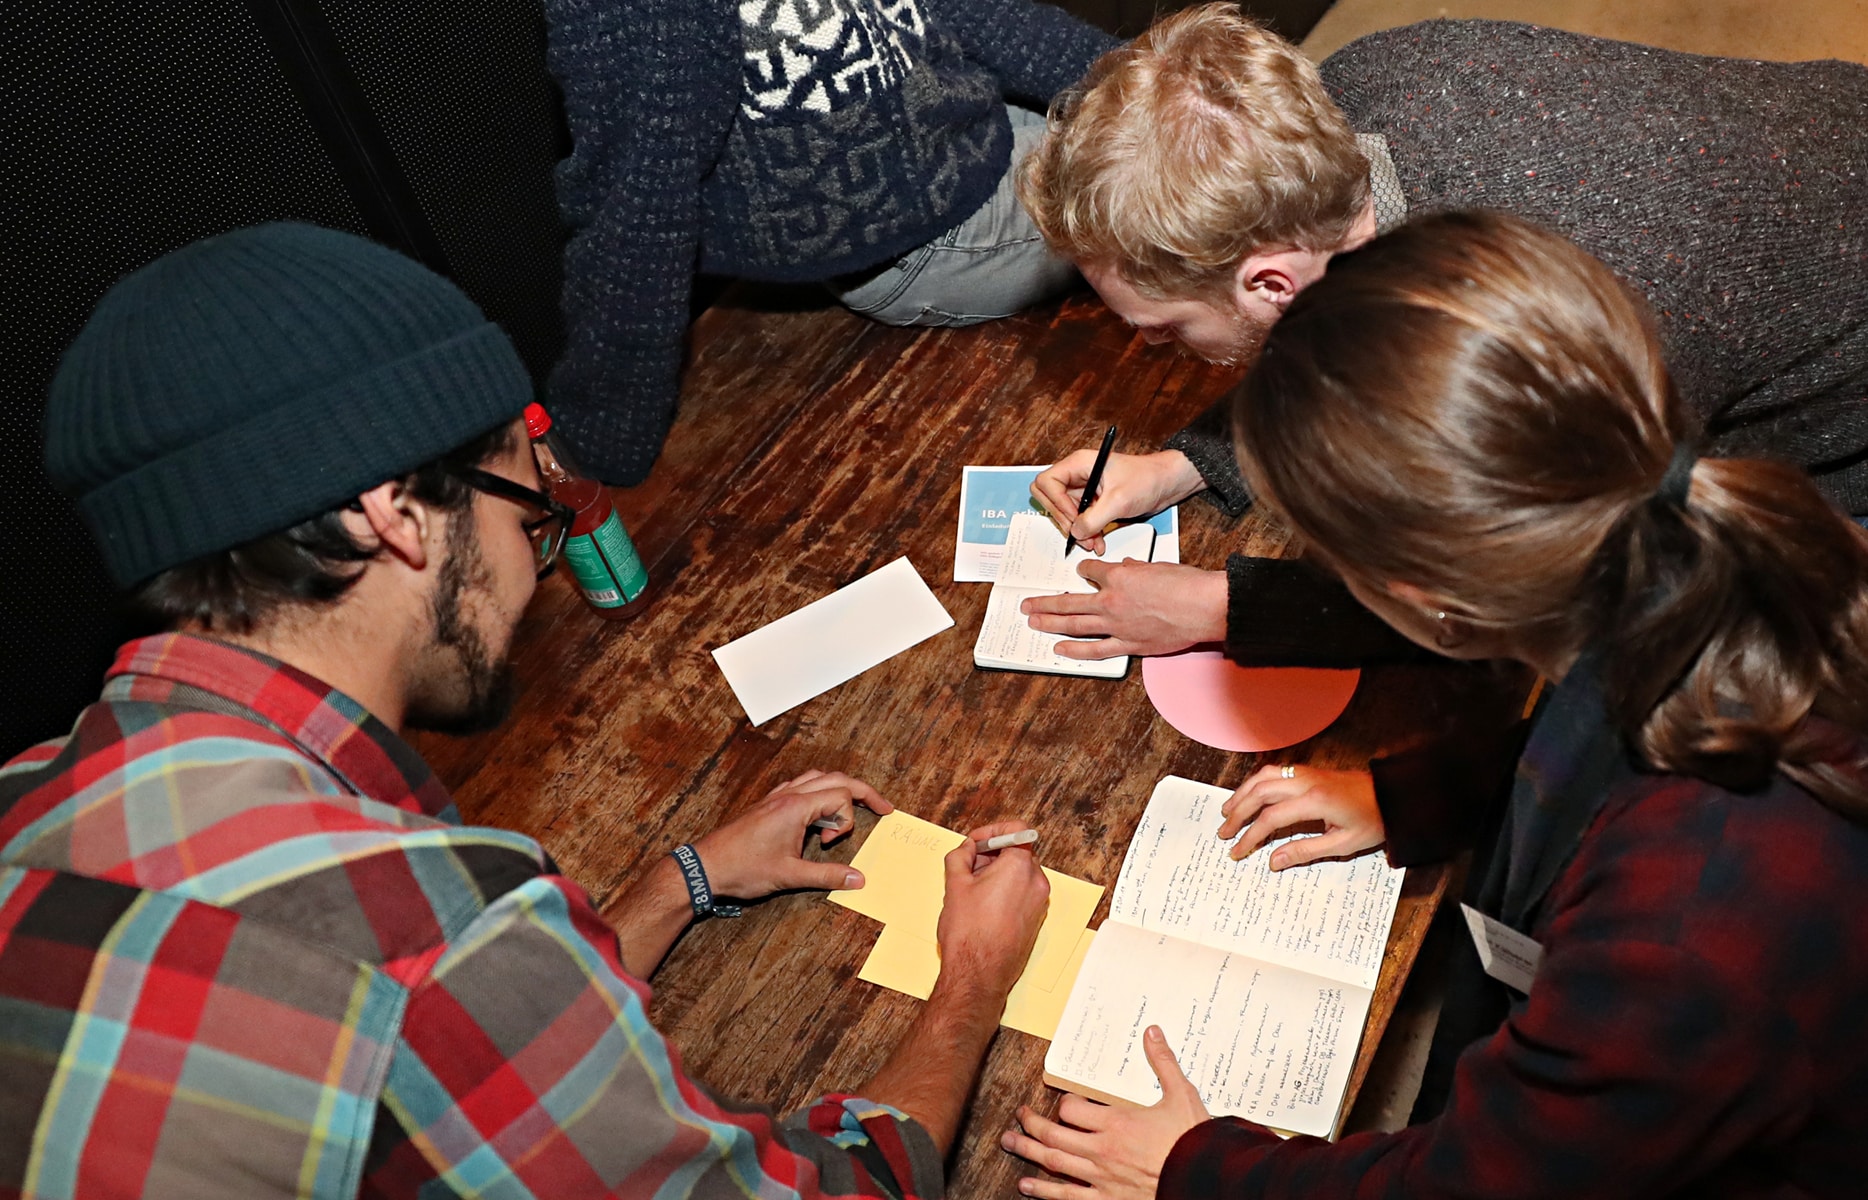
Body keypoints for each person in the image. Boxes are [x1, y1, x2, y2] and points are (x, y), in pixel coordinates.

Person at [1, 222, 1050, 1197]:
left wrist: (680, 882)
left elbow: (462, 1082)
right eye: (525, 498)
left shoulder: (28, 803)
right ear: (395, 514)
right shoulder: (439, 943)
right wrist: (970, 978)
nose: (535, 564)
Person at [1000, 210, 1868, 1197]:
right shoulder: (1712, 540)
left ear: (1423, 603)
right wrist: (1412, 796)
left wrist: (1199, 1170)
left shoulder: (1681, 942)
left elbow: (1485, 1183)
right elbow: (1585, 740)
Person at [1014, 3, 1868, 666]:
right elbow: (1336, 318)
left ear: (1270, 280)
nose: (1152, 349)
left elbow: (1537, 590)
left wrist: (1225, 609)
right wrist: (1188, 460)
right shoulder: (1353, 96)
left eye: (1161, 331)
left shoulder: (1570, 324)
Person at [541, 0, 1118, 485]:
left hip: (959, 132)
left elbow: (967, 11)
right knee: (1189, 200)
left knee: (1175, 144)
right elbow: (640, 195)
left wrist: (1145, 81)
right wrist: (599, 439)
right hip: (925, 238)